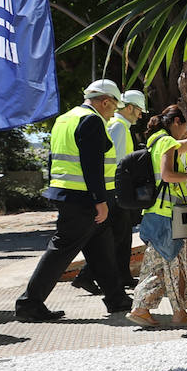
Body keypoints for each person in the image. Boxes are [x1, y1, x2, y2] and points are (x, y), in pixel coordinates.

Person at [15, 80, 132, 322]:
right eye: (113, 107)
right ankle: (29, 304)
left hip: (69, 193)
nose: (113, 113)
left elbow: (53, 159)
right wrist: (99, 200)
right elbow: (92, 166)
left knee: (102, 248)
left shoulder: (65, 118)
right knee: (62, 250)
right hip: (84, 199)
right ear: (105, 101)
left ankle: (116, 298)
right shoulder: (91, 120)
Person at [128, 106, 187, 328]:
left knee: (160, 266)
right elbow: (168, 175)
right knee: (174, 265)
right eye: (186, 125)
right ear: (177, 121)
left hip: (156, 214)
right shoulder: (166, 142)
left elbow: (183, 146)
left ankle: (144, 310)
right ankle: (175, 313)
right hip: (170, 215)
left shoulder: (156, 141)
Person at [72, 89, 146, 294]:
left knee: (121, 237)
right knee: (116, 237)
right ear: (129, 107)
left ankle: (119, 276)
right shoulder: (118, 127)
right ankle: (88, 276)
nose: (140, 115)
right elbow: (118, 162)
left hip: (116, 189)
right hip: (115, 189)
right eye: (139, 110)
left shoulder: (120, 126)